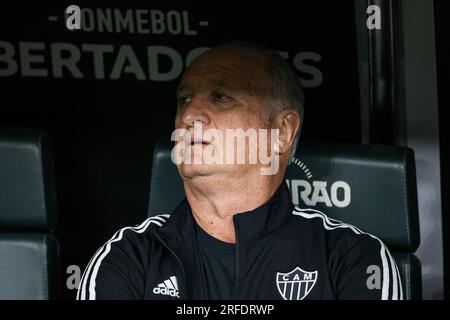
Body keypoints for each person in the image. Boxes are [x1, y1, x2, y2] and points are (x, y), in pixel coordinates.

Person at [77, 42, 402, 300]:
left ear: (281, 131)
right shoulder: (128, 256)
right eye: (183, 99)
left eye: (221, 97)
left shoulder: (354, 259)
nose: (189, 114)